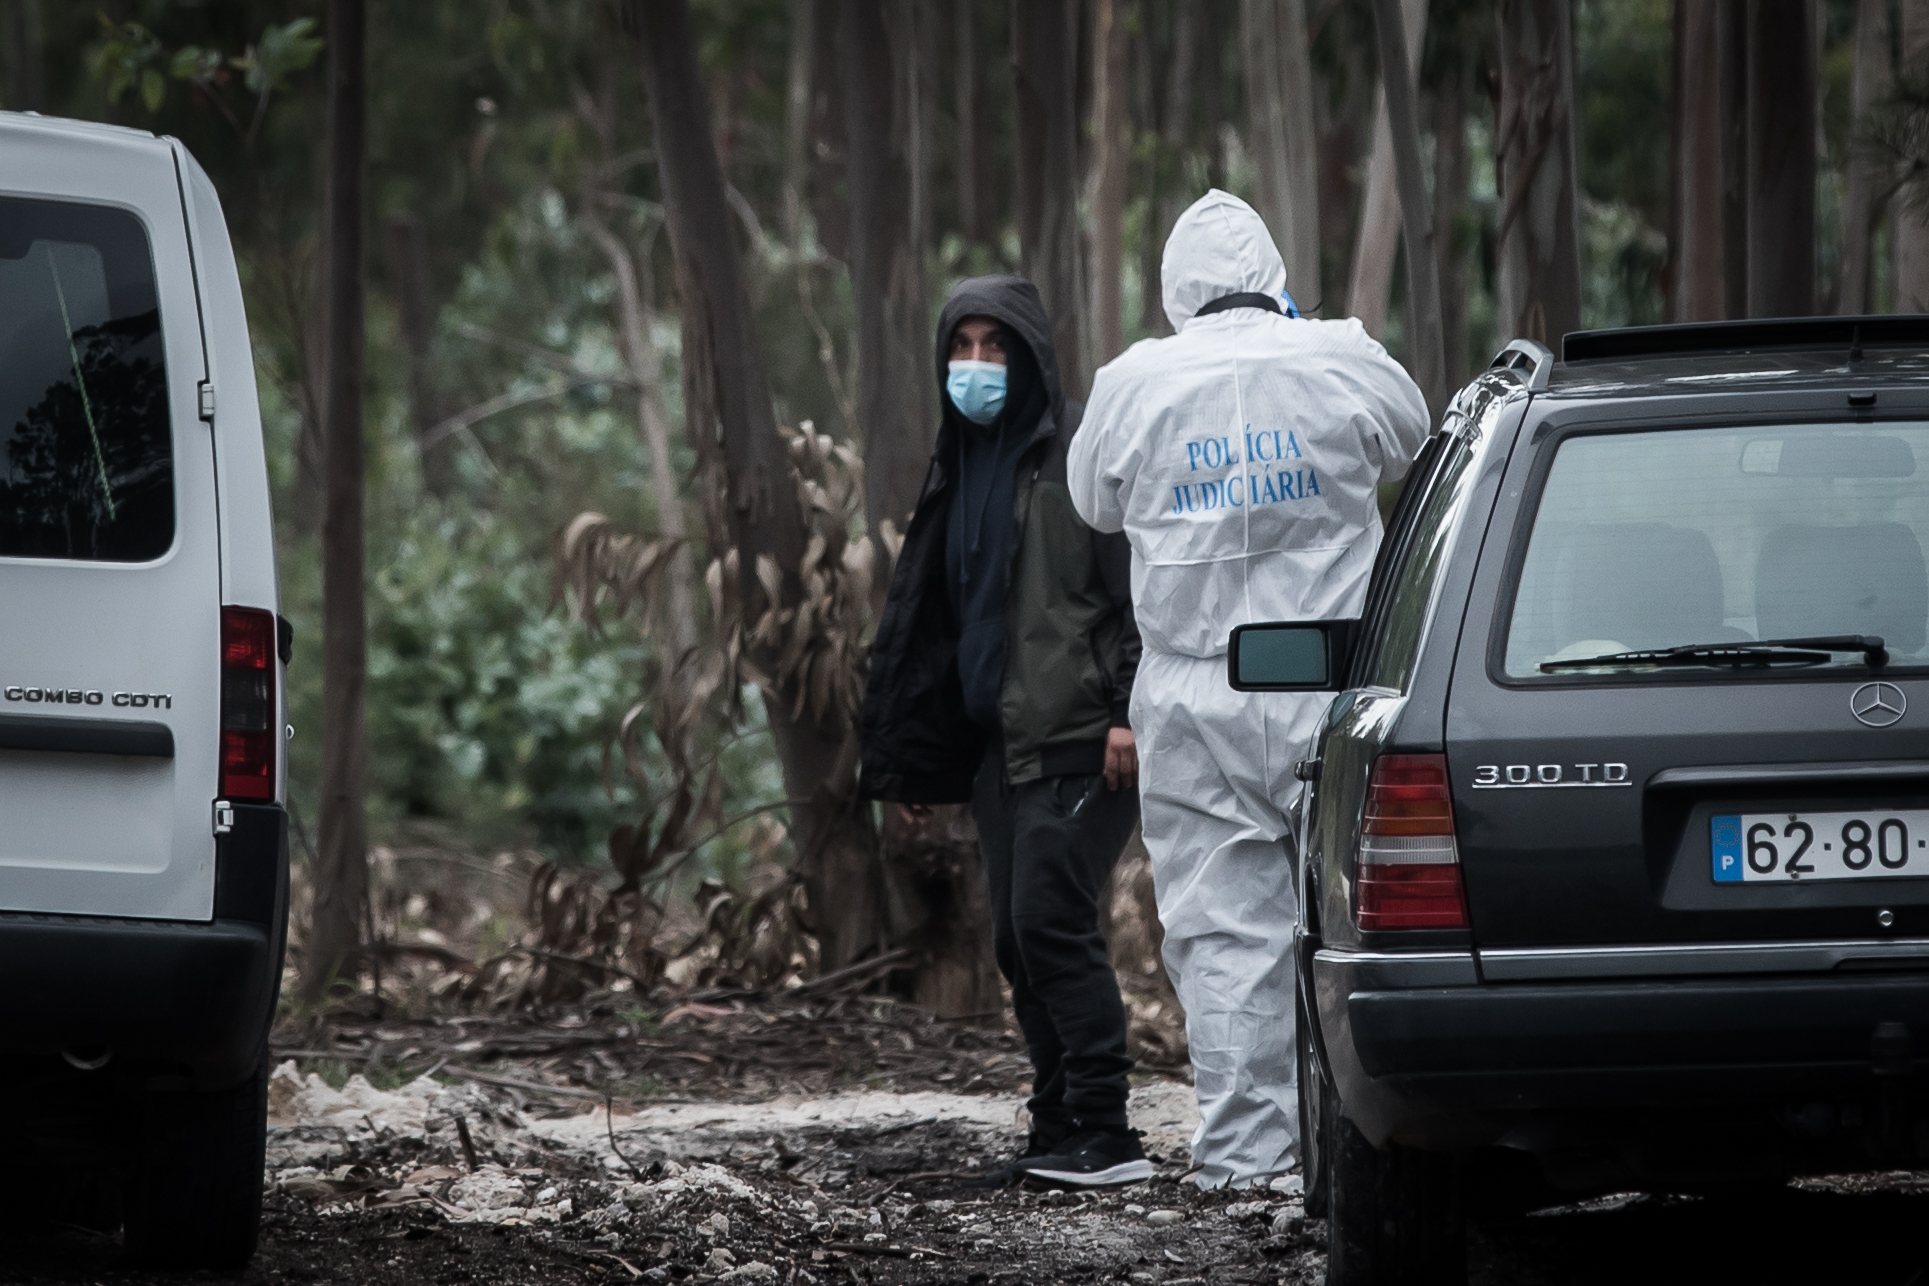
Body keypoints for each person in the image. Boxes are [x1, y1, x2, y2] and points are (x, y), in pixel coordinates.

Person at [1067, 190, 1429, 1189]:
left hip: (1195, 693)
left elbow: (1090, 497)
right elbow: (1414, 440)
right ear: (1275, 279)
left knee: (1225, 930)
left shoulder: (1135, 382)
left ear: (1176, 294)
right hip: (1330, 685)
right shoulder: (1340, 354)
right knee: (1354, 922)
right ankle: (1365, 1153)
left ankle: (1247, 1163)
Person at [858, 274, 1149, 1188]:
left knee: (1050, 923)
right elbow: (934, 620)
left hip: (1081, 734)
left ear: (1027, 354)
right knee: (1017, 943)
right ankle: (1057, 1124)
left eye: (995, 348)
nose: (976, 366)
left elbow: (1137, 588)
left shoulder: (1077, 449)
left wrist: (1125, 712)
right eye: (962, 347)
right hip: (999, 746)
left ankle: (1107, 1132)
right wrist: (912, 752)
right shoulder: (959, 459)